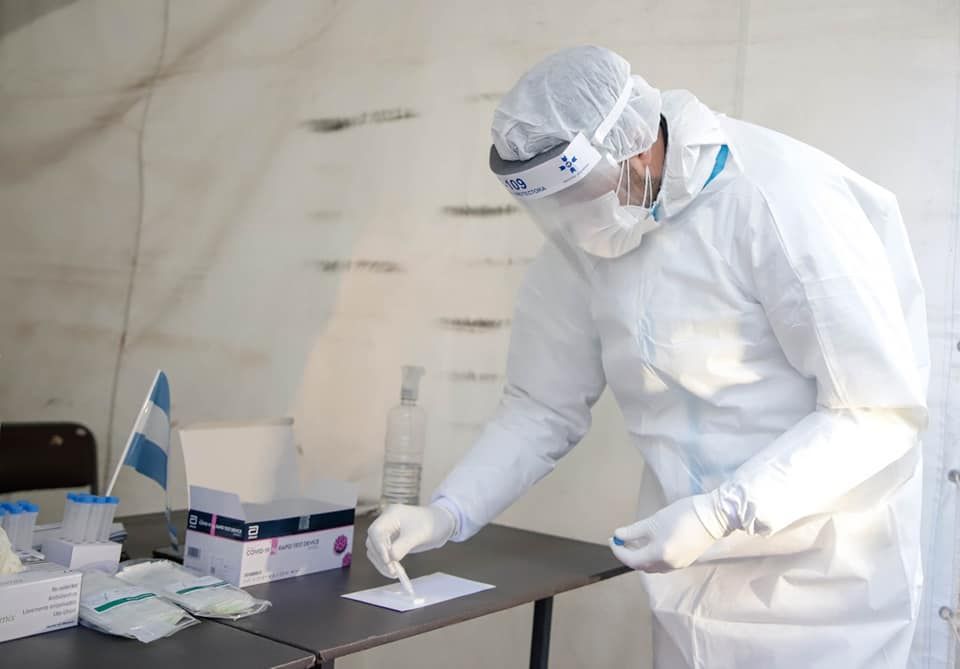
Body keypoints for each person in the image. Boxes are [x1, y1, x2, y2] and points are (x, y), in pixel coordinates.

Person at [366, 45, 930, 668]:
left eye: (582, 191)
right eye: (556, 201)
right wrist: (448, 512)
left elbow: (876, 411)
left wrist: (722, 513)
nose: (574, 215)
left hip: (825, 590)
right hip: (687, 582)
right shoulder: (588, 233)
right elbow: (541, 408)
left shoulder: (779, 199)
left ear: (634, 147)